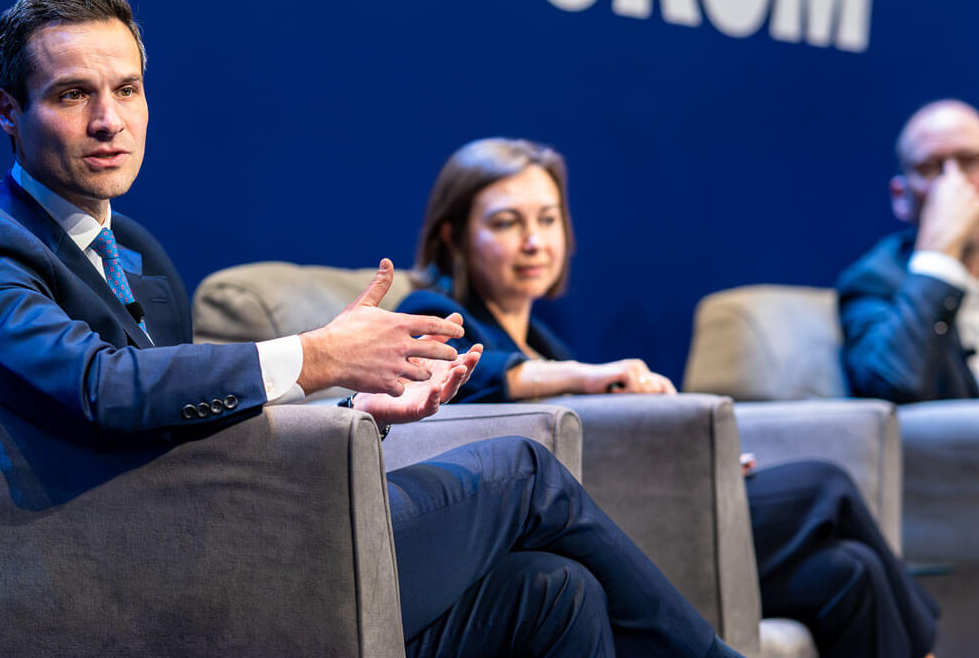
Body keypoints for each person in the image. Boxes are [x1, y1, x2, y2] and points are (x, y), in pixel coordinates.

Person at [0, 0, 743, 657]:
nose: (110, 120)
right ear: (8, 112)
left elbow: (172, 414)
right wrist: (314, 357)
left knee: (557, 593)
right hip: (145, 571)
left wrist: (348, 411)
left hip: (221, 528)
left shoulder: (133, 249)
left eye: (127, 89)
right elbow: (101, 389)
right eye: (72, 94)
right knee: (523, 471)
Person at [398, 137, 940, 658]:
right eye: (506, 222)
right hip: (581, 528)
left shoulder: (545, 341)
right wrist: (583, 376)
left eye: (547, 218)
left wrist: (694, 464)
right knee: (824, 482)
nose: (535, 241)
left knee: (849, 571)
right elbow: (475, 372)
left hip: (625, 509)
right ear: (453, 236)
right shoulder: (432, 311)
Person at [839, 99, 979, 402]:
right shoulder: (875, 280)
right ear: (901, 196)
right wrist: (938, 257)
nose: (952, 184)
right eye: (930, 168)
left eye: (971, 161)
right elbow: (893, 385)